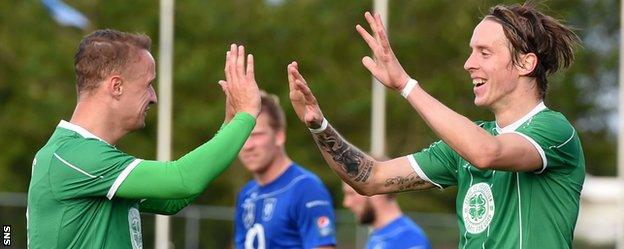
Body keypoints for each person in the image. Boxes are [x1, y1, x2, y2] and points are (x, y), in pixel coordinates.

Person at [287, 3, 584, 249]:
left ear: (525, 64)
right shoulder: (462, 147)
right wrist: (319, 125)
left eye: (484, 52)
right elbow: (371, 178)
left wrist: (405, 85)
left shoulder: (554, 131)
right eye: (471, 51)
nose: (469, 63)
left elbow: (487, 153)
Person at [27, 29, 261, 248]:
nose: (154, 97)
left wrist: (230, 125)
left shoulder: (87, 157)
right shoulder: (73, 156)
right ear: (116, 86)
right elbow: (182, 180)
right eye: (148, 84)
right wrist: (247, 114)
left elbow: (174, 198)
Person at [234, 91, 336, 249]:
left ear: (279, 136)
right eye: (241, 136)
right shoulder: (246, 194)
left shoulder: (306, 188)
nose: (247, 146)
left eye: (256, 135)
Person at [342, 183, 431, 249]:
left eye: (351, 194)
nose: (346, 203)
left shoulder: (408, 238)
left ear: (376, 192)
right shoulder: (380, 236)